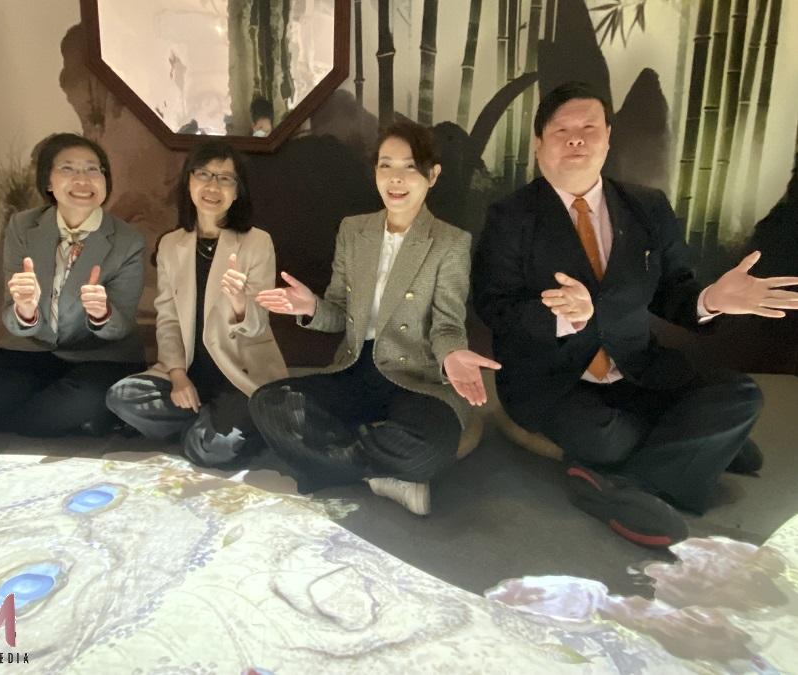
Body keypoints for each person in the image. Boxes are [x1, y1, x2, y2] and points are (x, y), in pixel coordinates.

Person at [472, 81, 798, 547]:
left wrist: (711, 300)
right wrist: (564, 316)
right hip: (554, 380)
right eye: (562, 130)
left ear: (608, 138)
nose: (576, 138)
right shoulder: (510, 217)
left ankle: (624, 489)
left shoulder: (647, 207)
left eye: (589, 128)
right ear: (539, 144)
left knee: (741, 395)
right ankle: (697, 444)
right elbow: (494, 307)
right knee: (609, 439)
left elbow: (675, 293)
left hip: (638, 369)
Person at [250, 121, 500, 515]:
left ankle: (335, 459)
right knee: (270, 403)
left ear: (433, 175)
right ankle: (382, 474)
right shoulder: (354, 231)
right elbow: (339, 314)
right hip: (354, 369)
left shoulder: (450, 242)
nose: (396, 178)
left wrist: (453, 355)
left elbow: (448, 324)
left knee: (430, 446)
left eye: (410, 167)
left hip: (414, 376)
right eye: (386, 165)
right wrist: (311, 307)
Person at [0, 133, 146, 436]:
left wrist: (102, 314)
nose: (83, 179)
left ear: (105, 180)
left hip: (102, 358)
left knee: (85, 396)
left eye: (93, 169)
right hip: (41, 354)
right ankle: (61, 414)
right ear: (48, 182)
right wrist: (25, 311)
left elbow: (121, 328)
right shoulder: (24, 226)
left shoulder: (127, 240)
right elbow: (12, 316)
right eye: (68, 168)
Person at [106, 142, 287, 467]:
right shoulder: (171, 244)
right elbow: (168, 319)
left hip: (237, 373)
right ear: (188, 181)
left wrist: (240, 303)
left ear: (237, 191)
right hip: (190, 372)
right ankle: (210, 423)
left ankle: (213, 426)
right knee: (122, 397)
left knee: (210, 449)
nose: (213, 186)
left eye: (225, 178)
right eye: (203, 174)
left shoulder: (257, 242)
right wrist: (177, 376)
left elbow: (258, 324)